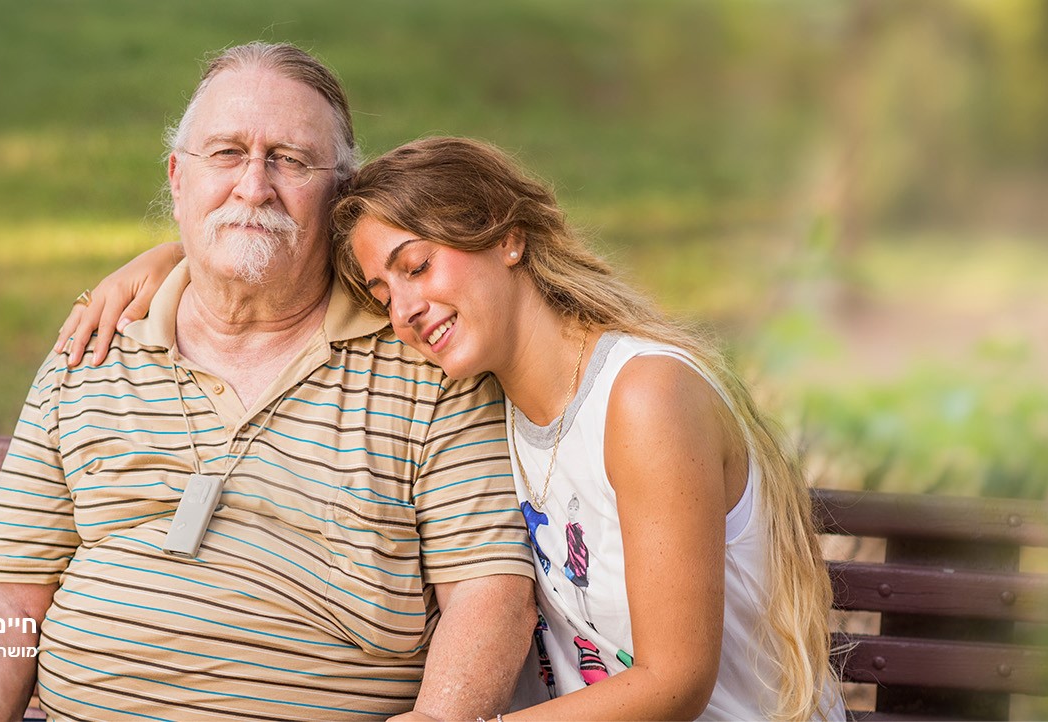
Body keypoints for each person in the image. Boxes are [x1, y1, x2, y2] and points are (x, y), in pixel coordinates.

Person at [65, 137, 845, 721]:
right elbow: (299, 271)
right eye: (382, 289)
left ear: (508, 237)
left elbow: (677, 682)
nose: (404, 310)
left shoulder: (643, 396)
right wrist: (171, 261)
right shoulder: (488, 403)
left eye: (418, 267)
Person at [0, 44, 537, 721]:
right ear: (178, 179)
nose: (254, 186)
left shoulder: (422, 358)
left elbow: (490, 592)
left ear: (342, 195)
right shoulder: (95, 347)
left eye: (290, 159)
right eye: (225, 154)